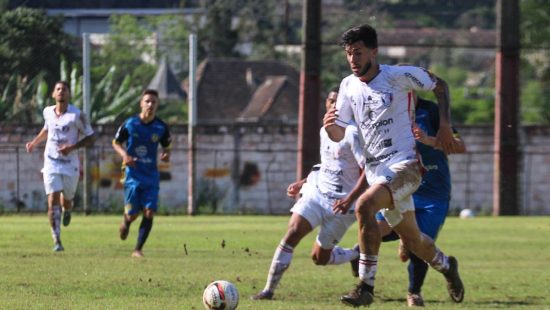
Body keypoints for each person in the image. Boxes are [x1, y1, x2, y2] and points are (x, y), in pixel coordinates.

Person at [323, 24, 464, 307]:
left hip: (406, 168)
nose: (353, 59)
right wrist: (329, 128)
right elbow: (339, 132)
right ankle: (447, 266)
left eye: (359, 52)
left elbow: (440, 85)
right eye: (349, 54)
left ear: (374, 52)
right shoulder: (348, 86)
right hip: (378, 174)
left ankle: (365, 285)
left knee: (364, 206)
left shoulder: (398, 77)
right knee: (413, 241)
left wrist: (445, 126)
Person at [251, 87, 366, 301]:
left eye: (338, 103)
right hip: (317, 194)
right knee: (293, 231)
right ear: (326, 104)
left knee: (319, 258)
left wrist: (350, 199)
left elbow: (368, 170)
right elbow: (327, 165)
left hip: (343, 205)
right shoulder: (325, 131)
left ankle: (354, 254)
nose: (334, 106)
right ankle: (268, 290)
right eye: (331, 101)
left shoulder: (352, 133)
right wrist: (303, 182)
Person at [376, 92, 467, 307]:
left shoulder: (432, 111)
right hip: (402, 186)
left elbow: (461, 147)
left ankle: (414, 292)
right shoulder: (387, 113)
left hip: (433, 192)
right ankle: (361, 270)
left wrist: (429, 140)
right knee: (374, 229)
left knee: (419, 244)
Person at [26, 80, 95, 252]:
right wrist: (34, 142)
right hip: (51, 161)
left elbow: (91, 137)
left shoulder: (77, 115)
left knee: (68, 200)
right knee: (52, 199)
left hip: (70, 164)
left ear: (69, 94)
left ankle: (68, 210)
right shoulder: (47, 112)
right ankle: (57, 239)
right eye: (58, 89)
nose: (61, 92)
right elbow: (47, 129)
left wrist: (72, 147)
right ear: (53, 94)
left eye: (64, 89)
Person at [112, 89, 171, 258]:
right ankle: (126, 220)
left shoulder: (161, 127)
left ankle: (138, 249)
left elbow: (167, 146)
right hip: (132, 174)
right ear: (141, 103)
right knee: (132, 214)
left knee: (149, 211)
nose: (150, 104)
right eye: (147, 101)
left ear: (157, 105)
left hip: (151, 175)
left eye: (153, 102)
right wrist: (125, 155)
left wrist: (167, 155)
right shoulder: (130, 124)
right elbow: (116, 142)